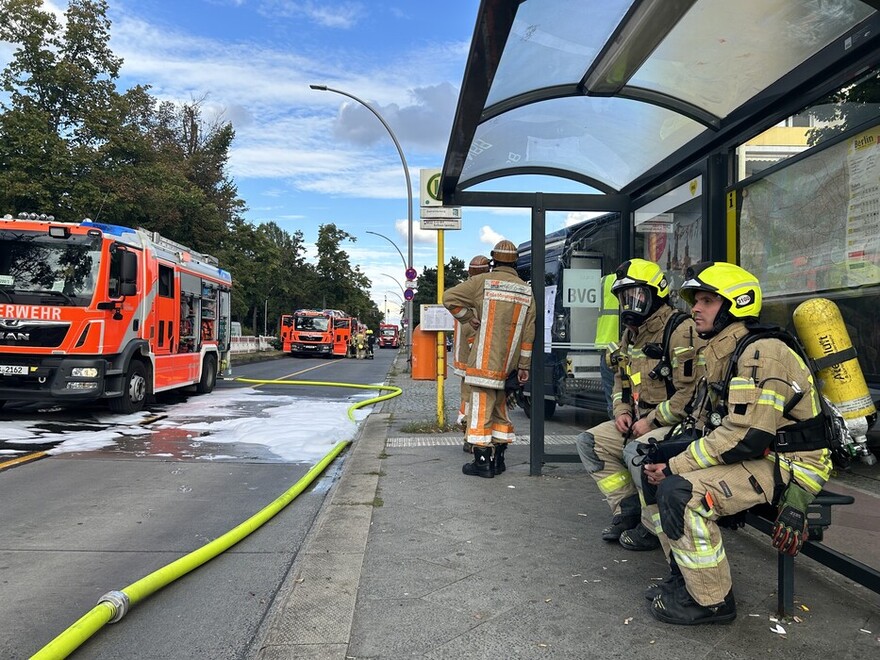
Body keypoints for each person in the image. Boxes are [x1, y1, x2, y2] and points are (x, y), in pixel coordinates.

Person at [643, 262, 833, 625]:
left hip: (789, 463)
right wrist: (665, 454)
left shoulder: (761, 353)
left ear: (736, 303)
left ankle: (712, 601)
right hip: (760, 453)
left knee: (678, 492)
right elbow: (711, 423)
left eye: (707, 300)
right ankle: (684, 577)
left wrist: (676, 466)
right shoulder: (725, 348)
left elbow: (748, 436)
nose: (695, 308)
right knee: (651, 464)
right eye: (696, 300)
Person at [576, 259, 704, 550]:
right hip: (639, 419)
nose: (629, 304)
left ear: (657, 293)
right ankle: (627, 508)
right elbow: (622, 379)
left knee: (637, 451)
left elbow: (690, 393)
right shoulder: (630, 333)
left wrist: (652, 421)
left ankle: (653, 527)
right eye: (624, 297)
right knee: (589, 442)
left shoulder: (679, 329)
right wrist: (622, 411)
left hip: (674, 424)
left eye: (637, 295)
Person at [443, 240, 535, 478]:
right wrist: (523, 366)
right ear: (515, 261)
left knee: (480, 412)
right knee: (501, 412)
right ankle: (500, 460)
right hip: (509, 368)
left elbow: (449, 297)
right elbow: (528, 333)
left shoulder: (482, 282)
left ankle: (482, 463)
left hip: (483, 364)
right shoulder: (526, 289)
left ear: (494, 259)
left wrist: (467, 318)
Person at [452, 255, 491, 452]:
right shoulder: (481, 291)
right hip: (476, 356)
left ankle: (468, 434)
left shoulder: (463, 290)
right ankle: (472, 436)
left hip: (464, 357)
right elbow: (473, 329)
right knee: (477, 398)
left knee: (466, 398)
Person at [596, 273, 620, 419]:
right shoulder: (638, 280)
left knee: (613, 396)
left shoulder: (605, 280)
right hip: (623, 342)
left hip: (607, 342)